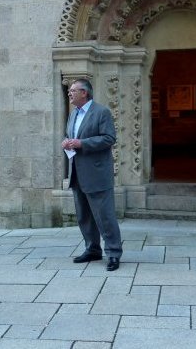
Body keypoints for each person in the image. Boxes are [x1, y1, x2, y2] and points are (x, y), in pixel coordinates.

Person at [61, 79, 122, 271]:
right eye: (69, 90)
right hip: (77, 173)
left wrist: (82, 144)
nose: (69, 93)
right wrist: (67, 142)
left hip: (97, 173)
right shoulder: (72, 115)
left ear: (84, 93)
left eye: (73, 90)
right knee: (84, 216)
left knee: (104, 216)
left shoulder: (101, 112)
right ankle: (93, 249)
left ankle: (113, 253)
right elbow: (71, 136)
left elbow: (109, 138)